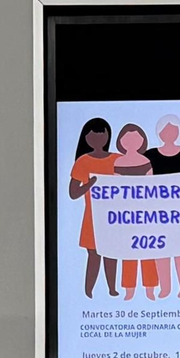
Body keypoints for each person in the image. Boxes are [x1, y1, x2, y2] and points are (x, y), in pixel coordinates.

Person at [144, 114, 180, 297]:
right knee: (162, 252)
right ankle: (165, 288)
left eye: (173, 129)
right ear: (159, 132)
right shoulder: (150, 155)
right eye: (165, 130)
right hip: (158, 214)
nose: (169, 133)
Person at [69, 116, 118, 297]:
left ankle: (112, 289)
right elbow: (73, 193)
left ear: (107, 136)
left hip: (115, 218)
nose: (98, 140)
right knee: (94, 256)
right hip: (92, 218)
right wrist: (90, 184)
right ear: (86, 138)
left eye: (101, 135)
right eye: (93, 136)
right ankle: (88, 291)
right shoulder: (83, 161)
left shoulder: (117, 159)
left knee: (111, 255)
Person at [112, 123, 160, 300]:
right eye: (127, 137)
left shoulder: (146, 161)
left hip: (146, 215)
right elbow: (116, 188)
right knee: (128, 252)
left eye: (135, 137)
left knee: (148, 252)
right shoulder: (118, 162)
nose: (131, 141)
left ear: (142, 140)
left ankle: (150, 289)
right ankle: (129, 289)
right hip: (126, 216)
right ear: (121, 141)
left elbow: (151, 186)